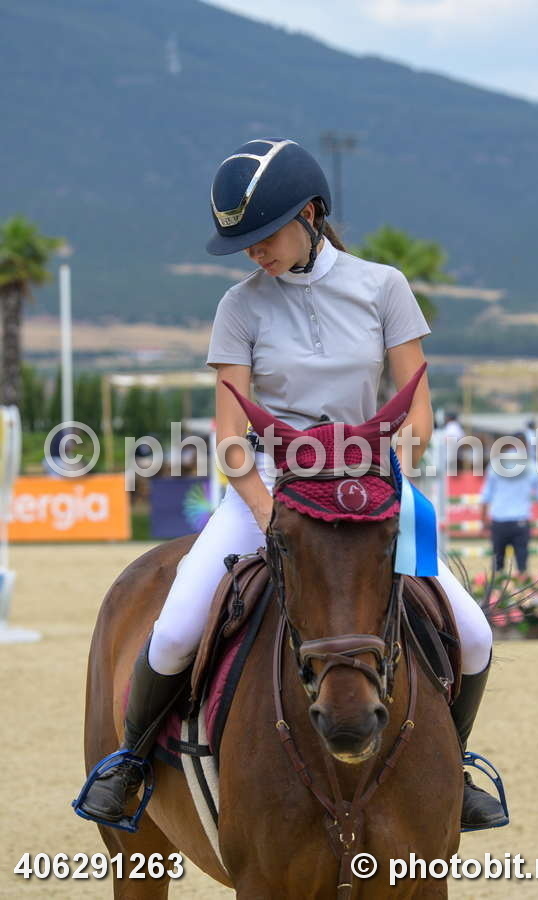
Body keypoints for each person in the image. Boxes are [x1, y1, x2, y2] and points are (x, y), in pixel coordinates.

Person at [80, 138, 505, 831]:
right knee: (177, 626)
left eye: (263, 235)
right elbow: (229, 434)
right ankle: (129, 763)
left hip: (366, 482)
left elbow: (417, 414)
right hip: (274, 487)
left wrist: (373, 472)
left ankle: (451, 769)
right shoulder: (238, 306)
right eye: (240, 242)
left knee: (474, 633)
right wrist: (269, 511)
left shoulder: (384, 287)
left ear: (310, 214)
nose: (253, 252)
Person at [480, 433, 538, 581]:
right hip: (521, 521)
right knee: (522, 567)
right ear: (525, 445)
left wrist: (483, 520)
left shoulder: (495, 464)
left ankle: (496, 592)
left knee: (497, 567)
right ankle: (523, 592)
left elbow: (486, 496)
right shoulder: (531, 465)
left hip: (499, 521)